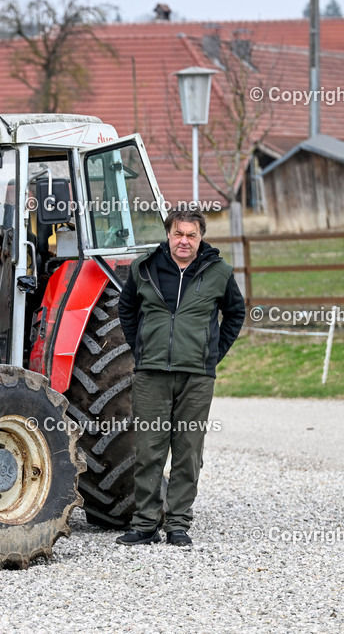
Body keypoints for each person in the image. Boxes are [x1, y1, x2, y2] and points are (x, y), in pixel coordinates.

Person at [115, 209, 245, 547]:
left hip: (196, 378)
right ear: (168, 235)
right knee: (149, 449)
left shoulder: (219, 272)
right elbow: (126, 309)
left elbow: (235, 313)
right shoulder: (144, 268)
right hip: (151, 375)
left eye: (191, 235)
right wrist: (141, 348)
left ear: (200, 238)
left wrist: (212, 354)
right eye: (178, 234)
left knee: (188, 451)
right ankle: (145, 524)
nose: (184, 241)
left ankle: (177, 525)